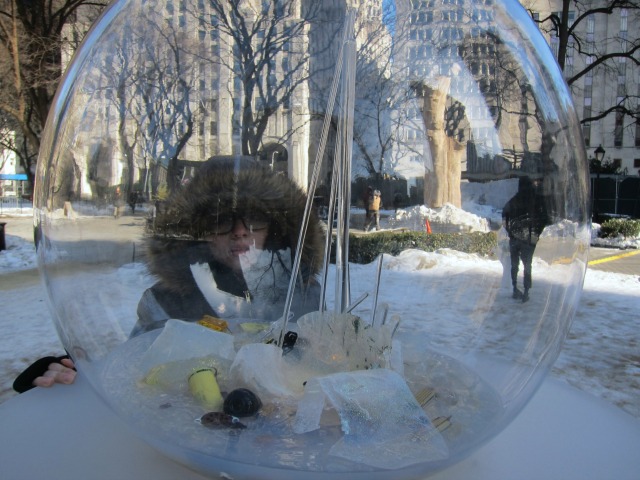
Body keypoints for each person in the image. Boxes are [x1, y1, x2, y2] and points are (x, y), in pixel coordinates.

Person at [14, 157, 324, 392]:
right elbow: (134, 374)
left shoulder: (304, 296)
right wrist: (77, 373)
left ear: (276, 228)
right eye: (222, 219)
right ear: (196, 231)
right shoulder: (167, 304)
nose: (240, 232)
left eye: (255, 218)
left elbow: (324, 372)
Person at [502, 176, 551, 303]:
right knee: (526, 265)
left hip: (516, 238)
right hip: (528, 239)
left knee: (515, 264)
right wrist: (535, 233)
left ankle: (515, 288)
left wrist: (511, 232)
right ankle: (526, 290)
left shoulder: (514, 200)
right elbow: (545, 219)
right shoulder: (536, 200)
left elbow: (504, 216)